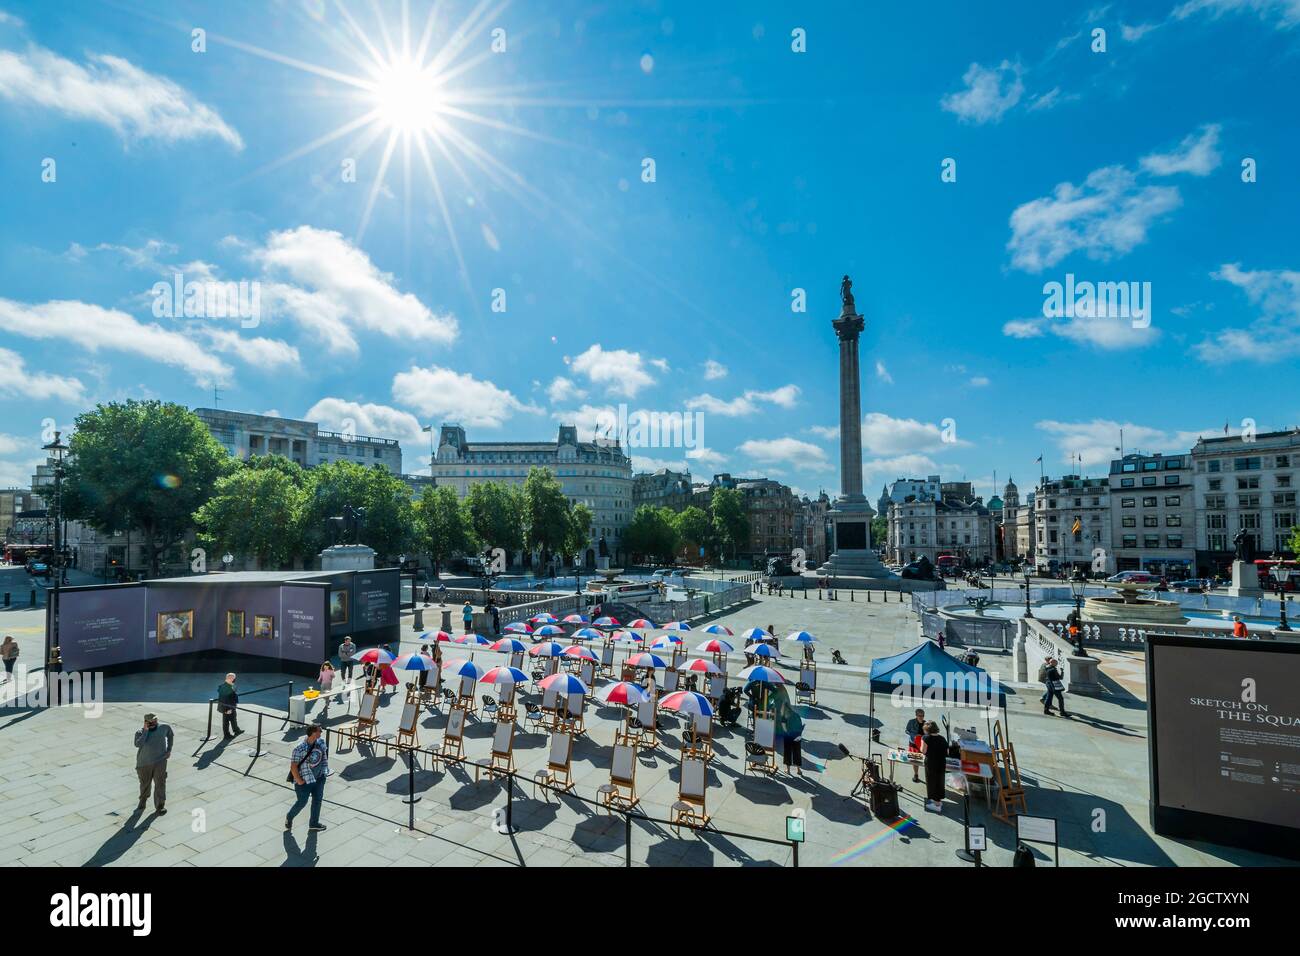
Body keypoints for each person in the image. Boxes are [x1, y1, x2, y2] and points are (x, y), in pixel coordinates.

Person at [285, 723, 329, 833]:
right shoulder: (299, 748)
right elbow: (293, 766)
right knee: (302, 802)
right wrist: (299, 781)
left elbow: (324, 757)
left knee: (317, 801)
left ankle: (314, 824)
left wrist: (324, 772)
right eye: (319, 730)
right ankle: (289, 817)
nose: (321, 732)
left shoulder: (321, 742)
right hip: (305, 781)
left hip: (319, 778)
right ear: (313, 732)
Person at [134, 713, 173, 815]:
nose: (154, 723)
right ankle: (143, 800)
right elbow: (138, 744)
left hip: (160, 761)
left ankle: (160, 806)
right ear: (146, 722)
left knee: (160, 783)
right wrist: (146, 731)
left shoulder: (164, 727)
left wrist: (169, 749)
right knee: (145, 784)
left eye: (155, 721)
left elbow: (170, 735)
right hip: (144, 764)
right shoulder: (140, 732)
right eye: (151, 722)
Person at [920, 721, 948, 812]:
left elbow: (923, 751)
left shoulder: (926, 738)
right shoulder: (942, 738)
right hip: (941, 762)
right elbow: (946, 752)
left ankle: (937, 804)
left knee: (932, 781)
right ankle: (938, 800)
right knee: (939, 781)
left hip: (931, 762)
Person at [217, 673, 243, 739]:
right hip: (228, 707)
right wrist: (227, 709)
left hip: (231, 706)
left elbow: (234, 693)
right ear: (229, 678)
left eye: (234, 678)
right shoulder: (224, 687)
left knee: (233, 719)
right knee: (226, 721)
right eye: (233, 678)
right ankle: (226, 735)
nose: (234, 679)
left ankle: (236, 730)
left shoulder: (230, 685)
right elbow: (224, 699)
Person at [905, 708, 927, 783]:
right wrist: (914, 735)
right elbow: (907, 730)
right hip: (913, 743)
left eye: (922, 715)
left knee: (925, 760)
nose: (921, 717)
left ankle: (928, 775)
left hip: (922, 744)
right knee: (914, 760)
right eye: (919, 715)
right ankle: (916, 774)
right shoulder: (911, 722)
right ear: (916, 715)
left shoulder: (926, 724)